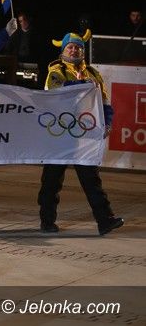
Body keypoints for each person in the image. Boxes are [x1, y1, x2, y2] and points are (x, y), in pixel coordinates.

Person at [37, 30, 124, 235]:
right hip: (59, 134)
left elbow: (104, 102)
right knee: (51, 180)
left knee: (91, 179)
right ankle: (47, 221)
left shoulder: (93, 73)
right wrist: (81, 85)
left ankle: (105, 220)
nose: (74, 50)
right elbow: (55, 92)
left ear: (83, 51)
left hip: (84, 135)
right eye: (70, 47)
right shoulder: (56, 70)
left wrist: (107, 123)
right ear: (63, 50)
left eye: (78, 47)